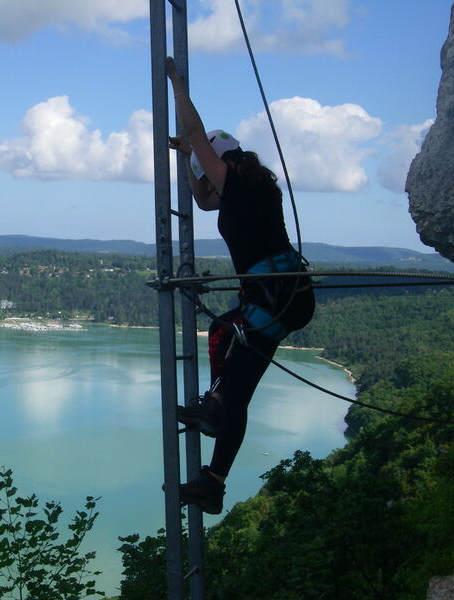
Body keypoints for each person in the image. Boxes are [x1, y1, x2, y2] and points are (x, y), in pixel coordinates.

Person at [166, 57, 315, 514]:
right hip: (282, 293)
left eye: (208, 163)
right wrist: (186, 160)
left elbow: (196, 133)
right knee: (223, 334)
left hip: (275, 294)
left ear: (221, 158)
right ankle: (215, 402)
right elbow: (202, 200)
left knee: (240, 392)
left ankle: (214, 478)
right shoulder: (246, 186)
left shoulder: (236, 180)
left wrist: (177, 85)